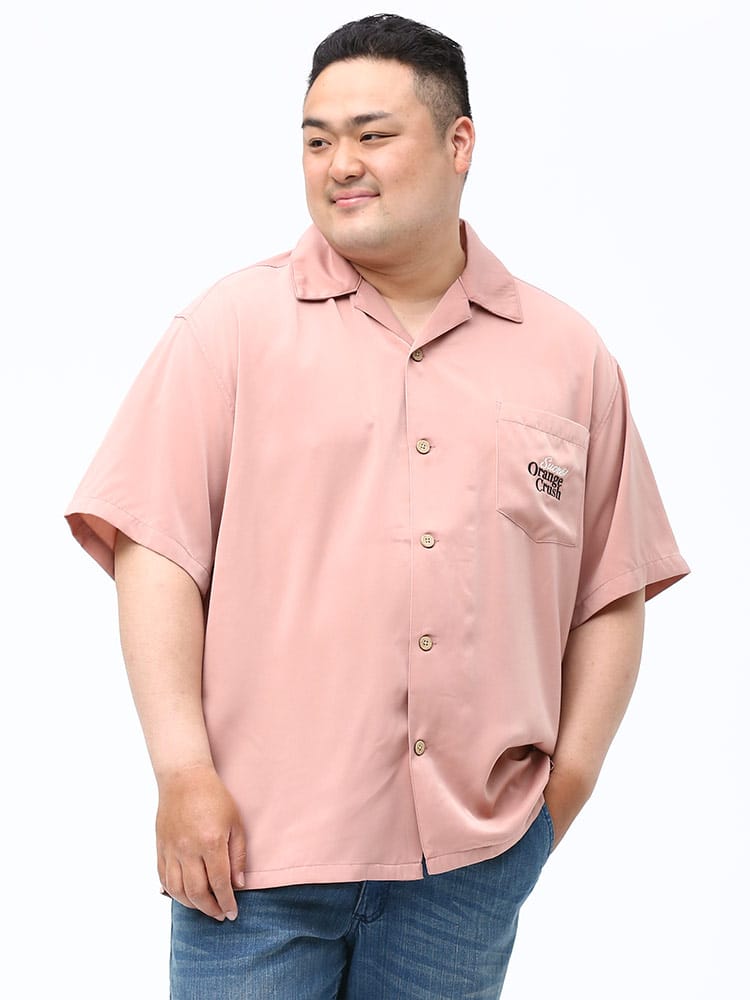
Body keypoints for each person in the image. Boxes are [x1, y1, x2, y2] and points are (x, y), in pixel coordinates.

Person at [64, 13, 690, 999]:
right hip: (253, 859)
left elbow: (612, 586)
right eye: (317, 140)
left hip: (469, 867)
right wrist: (182, 772)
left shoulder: (567, 355)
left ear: (458, 143)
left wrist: (560, 795)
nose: (339, 164)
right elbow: (156, 551)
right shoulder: (231, 330)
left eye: (371, 134)